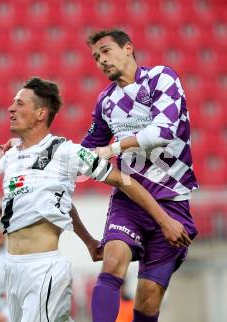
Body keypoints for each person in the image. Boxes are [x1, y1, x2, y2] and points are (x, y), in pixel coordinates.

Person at [0, 77, 190, 321]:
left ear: (40, 113)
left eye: (20, 103)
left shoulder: (67, 152)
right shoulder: (11, 156)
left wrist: (165, 220)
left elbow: (124, 181)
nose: (11, 108)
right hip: (12, 268)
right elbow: (57, 203)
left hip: (42, 268)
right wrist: (89, 241)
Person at [82, 29, 199, 322]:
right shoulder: (105, 101)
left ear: (128, 48)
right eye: (96, 57)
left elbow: (163, 132)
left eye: (106, 51)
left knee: (147, 302)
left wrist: (115, 147)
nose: (101, 61)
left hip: (172, 199)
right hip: (129, 199)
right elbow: (87, 151)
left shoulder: (162, 78)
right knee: (112, 262)